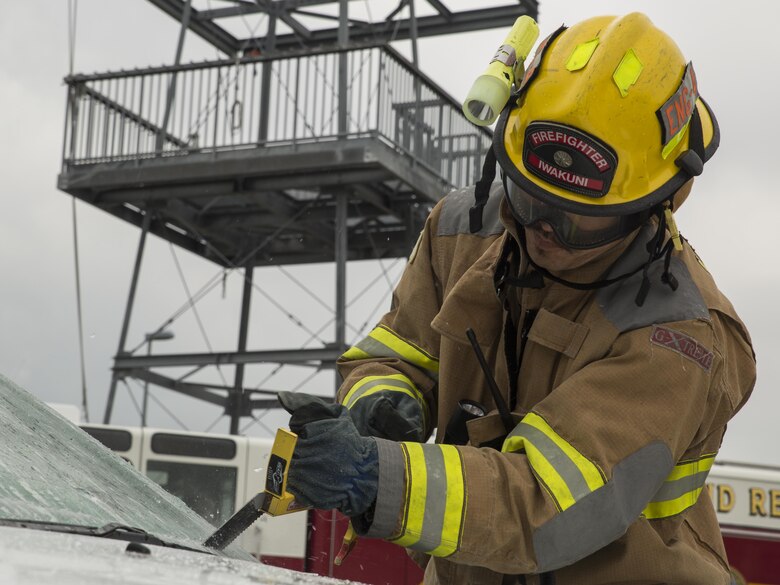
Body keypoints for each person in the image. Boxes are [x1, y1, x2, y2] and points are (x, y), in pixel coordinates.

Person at [278, 12, 756, 584]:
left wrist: (377, 478)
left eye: (577, 219)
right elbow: (395, 353)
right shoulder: (465, 229)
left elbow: (547, 507)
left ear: (657, 202)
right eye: (528, 197)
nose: (541, 231)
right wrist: (382, 404)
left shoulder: (679, 334)